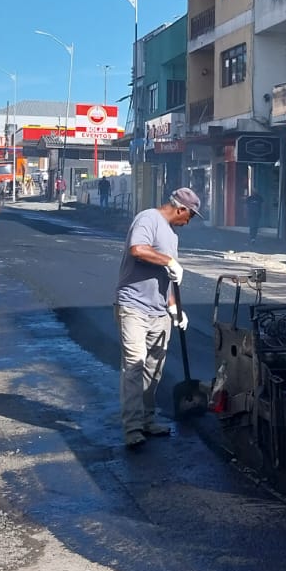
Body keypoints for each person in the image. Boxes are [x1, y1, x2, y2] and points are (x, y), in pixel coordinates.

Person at [114, 187, 202, 449]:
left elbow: (167, 279)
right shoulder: (148, 219)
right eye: (190, 216)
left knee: (153, 368)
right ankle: (132, 428)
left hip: (159, 310)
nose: (189, 222)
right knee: (134, 365)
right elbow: (137, 249)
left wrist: (174, 307)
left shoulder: (172, 236)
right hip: (133, 307)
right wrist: (169, 261)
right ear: (180, 209)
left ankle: (147, 420)